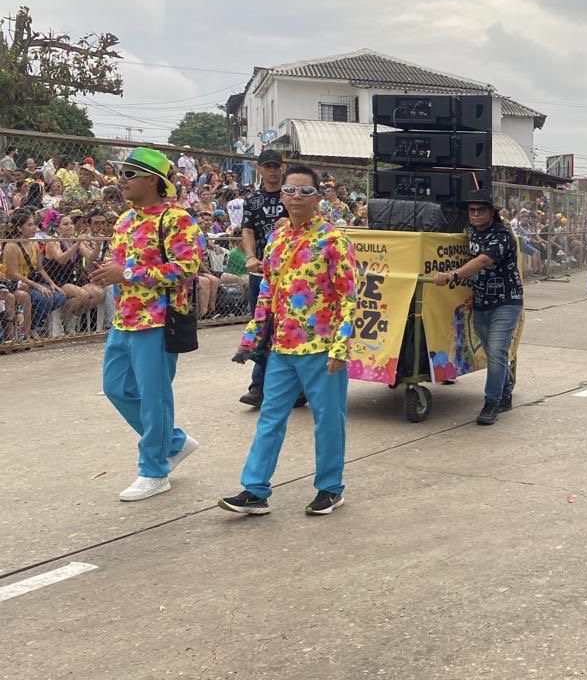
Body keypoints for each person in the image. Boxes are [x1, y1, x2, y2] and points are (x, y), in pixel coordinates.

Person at [221, 165, 358, 517]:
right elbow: (268, 291)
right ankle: (255, 490)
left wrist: (341, 346)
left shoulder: (333, 239)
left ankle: (330, 488)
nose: (297, 197)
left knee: (328, 420)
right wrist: (251, 337)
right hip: (282, 348)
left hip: (321, 348)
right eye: (290, 190)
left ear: (318, 197)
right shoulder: (277, 239)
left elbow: (348, 296)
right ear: (281, 195)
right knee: (270, 417)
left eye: (305, 191)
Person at [88, 147, 202, 502]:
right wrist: (108, 273)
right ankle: (174, 442)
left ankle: (154, 471)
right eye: (120, 173)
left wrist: (125, 273)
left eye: (128, 174)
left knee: (154, 398)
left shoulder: (177, 219)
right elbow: (118, 267)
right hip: (124, 319)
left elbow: (186, 269)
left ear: (152, 180)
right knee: (116, 387)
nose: (120, 180)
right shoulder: (125, 220)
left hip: (158, 320)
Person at [432, 192, 523, 426]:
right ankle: (505, 391)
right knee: (492, 352)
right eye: (471, 210)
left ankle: (491, 403)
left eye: (480, 210)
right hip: (481, 301)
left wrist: (453, 275)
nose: (475, 214)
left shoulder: (501, 235)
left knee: (496, 351)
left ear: (492, 212)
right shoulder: (470, 230)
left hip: (506, 301)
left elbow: (482, 261)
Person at [238, 149, 287, 408]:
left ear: (282, 167)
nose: (272, 170)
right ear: (259, 169)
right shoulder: (252, 200)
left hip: (290, 275)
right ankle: (259, 386)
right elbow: (247, 230)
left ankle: (288, 385)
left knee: (288, 327)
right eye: (267, 165)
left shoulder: (293, 196)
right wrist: (249, 256)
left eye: (276, 165)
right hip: (261, 273)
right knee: (260, 327)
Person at [2, 207, 67, 335]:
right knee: (43, 298)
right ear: (19, 228)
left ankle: (34, 324)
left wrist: (52, 284)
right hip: (16, 283)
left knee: (59, 296)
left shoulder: (34, 244)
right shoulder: (11, 246)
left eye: (34, 225)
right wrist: (37, 286)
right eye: (30, 225)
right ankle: (29, 328)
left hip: (30, 282)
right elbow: (13, 274)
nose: (34, 228)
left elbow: (39, 268)